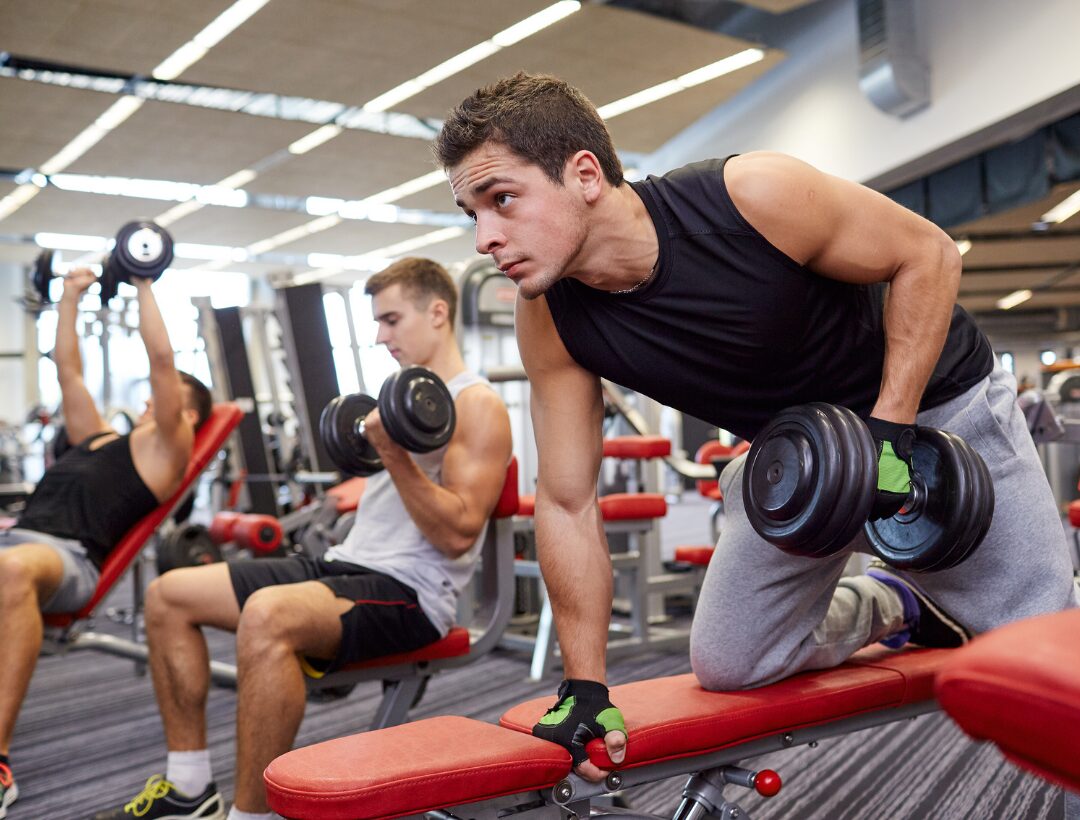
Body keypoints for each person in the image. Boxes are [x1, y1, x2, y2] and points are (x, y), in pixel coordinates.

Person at [434, 72, 1078, 781]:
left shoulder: (751, 197)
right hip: (802, 456)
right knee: (733, 663)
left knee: (1051, 662)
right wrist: (586, 687)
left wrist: (889, 434)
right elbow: (566, 499)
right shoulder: (551, 318)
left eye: (502, 200)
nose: (486, 238)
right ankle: (895, 603)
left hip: (933, 411)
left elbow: (927, 254)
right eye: (472, 214)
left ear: (584, 173)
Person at [95, 258, 513, 820]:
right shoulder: (403, 399)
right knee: (169, 595)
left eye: (391, 320)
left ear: (438, 312)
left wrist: (392, 455)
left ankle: (251, 817)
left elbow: (460, 533)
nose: (379, 335)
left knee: (268, 614)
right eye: (376, 322)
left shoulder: (475, 404)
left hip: (412, 593)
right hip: (345, 565)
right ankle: (190, 787)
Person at [0, 267, 212, 816]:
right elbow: (67, 369)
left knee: (13, 571)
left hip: (64, 561)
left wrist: (142, 283)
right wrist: (70, 297)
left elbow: (163, 363)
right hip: (17, 541)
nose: (149, 401)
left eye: (165, 400)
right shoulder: (97, 436)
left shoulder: (165, 451)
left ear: (186, 417)